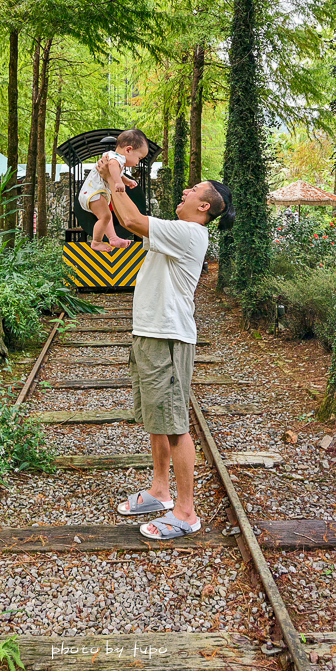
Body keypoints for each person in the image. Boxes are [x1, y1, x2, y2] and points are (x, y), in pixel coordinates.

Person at [95, 157, 235, 540]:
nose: (186, 191)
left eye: (194, 189)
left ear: (204, 206)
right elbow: (132, 217)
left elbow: (131, 220)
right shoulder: (176, 230)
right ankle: (160, 490)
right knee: (157, 419)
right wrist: (111, 182)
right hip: (149, 333)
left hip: (168, 337)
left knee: (175, 426)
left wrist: (114, 176)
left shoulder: (190, 233)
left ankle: (186, 512)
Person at [78, 129, 149, 252]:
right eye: (139, 158)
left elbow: (117, 172)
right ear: (128, 150)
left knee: (107, 216)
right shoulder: (116, 159)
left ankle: (113, 237)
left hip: (94, 192)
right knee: (105, 216)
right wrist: (118, 182)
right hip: (93, 192)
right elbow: (112, 166)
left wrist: (127, 181)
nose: (138, 162)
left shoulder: (115, 159)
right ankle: (96, 241)